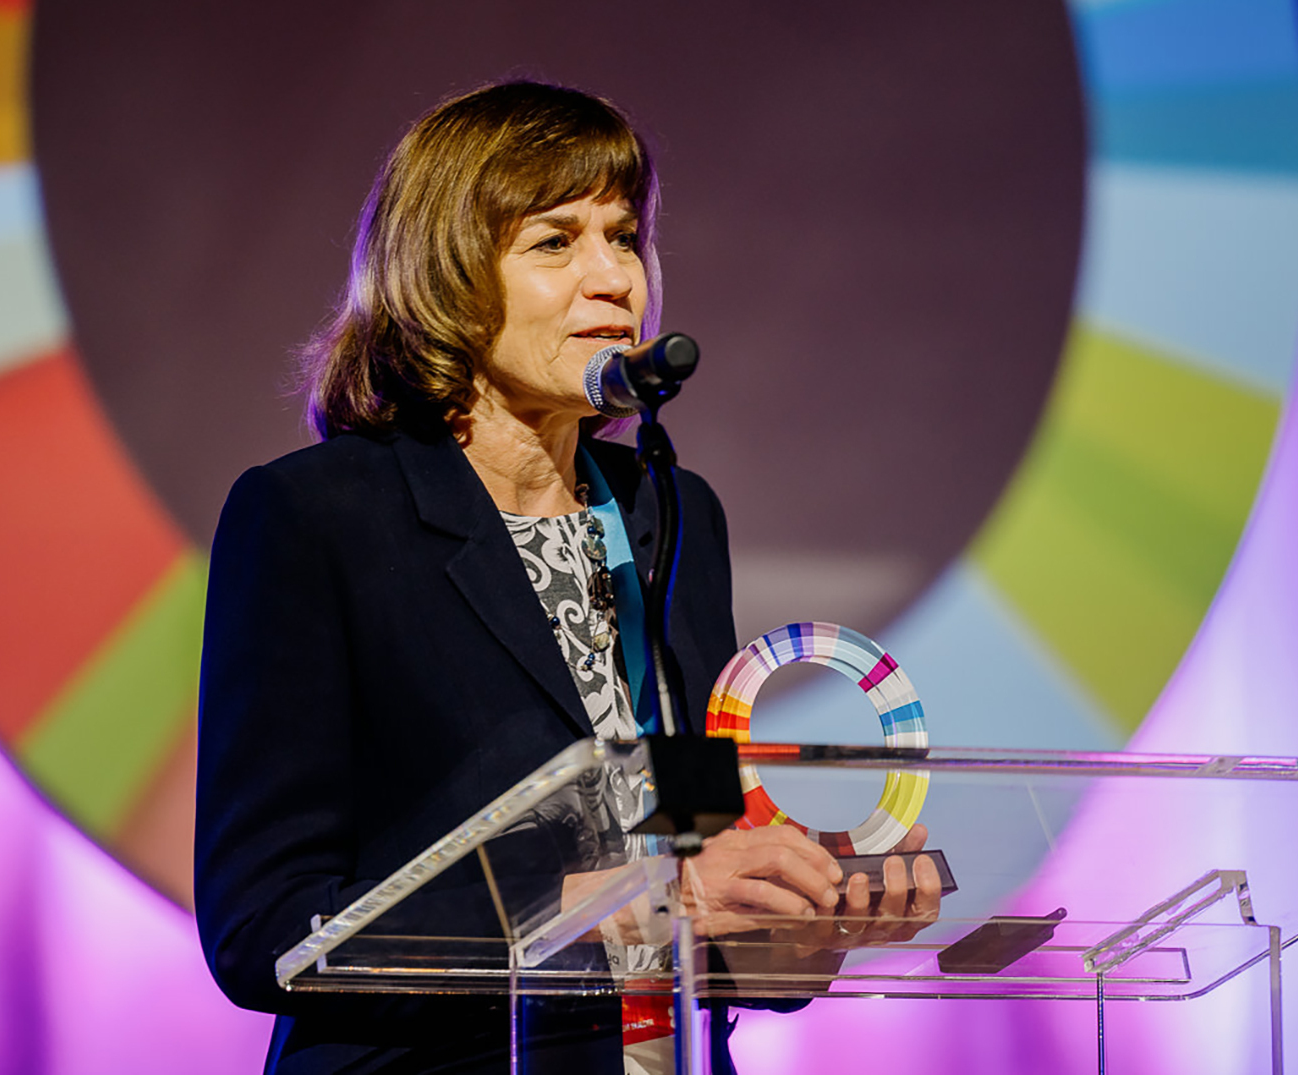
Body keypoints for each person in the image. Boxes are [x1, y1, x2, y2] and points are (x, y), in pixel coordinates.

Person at [194, 80, 941, 1075]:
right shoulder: (315, 517)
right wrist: (623, 902)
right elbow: (267, 926)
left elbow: (689, 851)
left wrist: (804, 923)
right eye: (555, 241)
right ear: (448, 275)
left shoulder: (670, 510)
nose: (613, 278)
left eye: (623, 237)